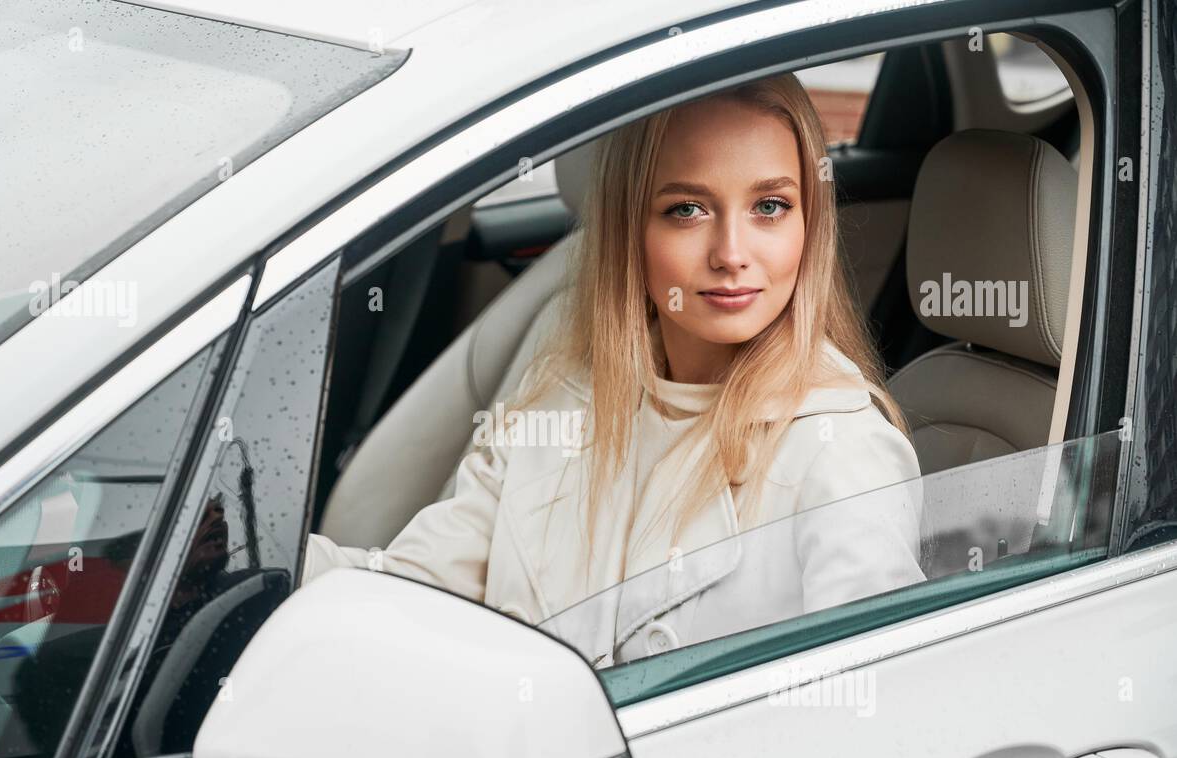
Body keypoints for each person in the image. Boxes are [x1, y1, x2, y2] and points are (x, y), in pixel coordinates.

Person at [303, 73, 925, 667]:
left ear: (809, 225)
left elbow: (860, 729)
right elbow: (413, 588)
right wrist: (254, 570)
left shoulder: (844, 455)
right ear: (631, 229)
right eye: (687, 210)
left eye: (769, 206)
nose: (732, 255)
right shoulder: (563, 398)